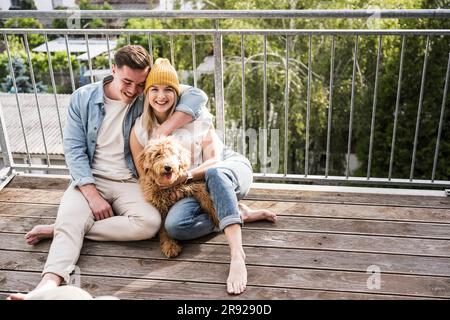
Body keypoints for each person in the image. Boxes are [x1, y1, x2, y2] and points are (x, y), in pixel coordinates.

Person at [8, 45, 207, 300]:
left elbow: (197, 96)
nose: (133, 90)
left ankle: (68, 228)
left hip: (128, 181)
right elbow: (74, 150)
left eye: (140, 84)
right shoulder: (83, 97)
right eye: (127, 82)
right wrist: (91, 195)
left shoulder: (143, 97)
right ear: (113, 69)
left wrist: (164, 128)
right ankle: (46, 287)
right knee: (72, 221)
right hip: (90, 180)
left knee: (150, 223)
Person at [130, 58, 277, 295]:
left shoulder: (195, 116)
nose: (161, 96)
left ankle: (237, 255)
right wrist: (173, 186)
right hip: (194, 188)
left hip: (226, 169)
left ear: (177, 93)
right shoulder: (139, 130)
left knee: (215, 173)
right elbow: (145, 177)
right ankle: (236, 213)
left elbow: (214, 161)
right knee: (175, 226)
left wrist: (184, 176)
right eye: (154, 90)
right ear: (146, 94)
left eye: (168, 89)